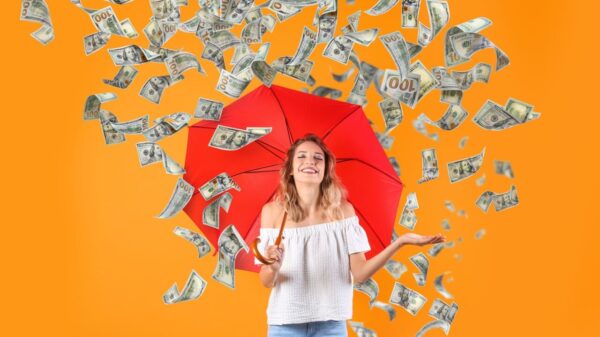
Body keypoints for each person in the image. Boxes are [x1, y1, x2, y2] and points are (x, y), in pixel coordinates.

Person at [255, 133, 445, 337]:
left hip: (331, 326)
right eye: (301, 156)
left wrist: (400, 242)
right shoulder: (273, 212)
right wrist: (272, 267)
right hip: (285, 325)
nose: (310, 161)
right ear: (291, 169)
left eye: (318, 158)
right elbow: (267, 281)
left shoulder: (343, 212)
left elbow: (361, 273)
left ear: (326, 170)